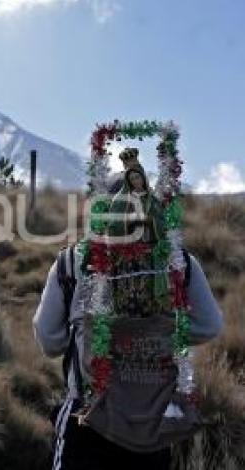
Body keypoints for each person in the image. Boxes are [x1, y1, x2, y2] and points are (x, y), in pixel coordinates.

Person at [33, 151, 224, 470]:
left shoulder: (72, 264)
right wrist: (158, 334)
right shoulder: (180, 263)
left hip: (88, 416)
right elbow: (209, 325)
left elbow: (48, 339)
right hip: (153, 418)